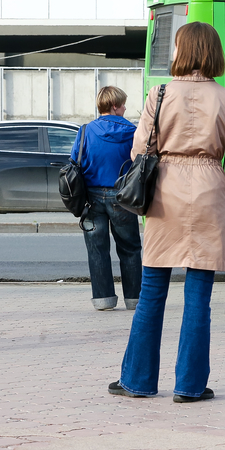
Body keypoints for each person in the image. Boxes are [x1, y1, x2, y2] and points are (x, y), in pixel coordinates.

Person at [108, 22, 225, 403]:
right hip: (209, 189)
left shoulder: (158, 94)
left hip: (164, 193)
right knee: (199, 297)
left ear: (183, 51)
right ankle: (189, 386)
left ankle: (138, 381)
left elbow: (140, 152)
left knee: (153, 289)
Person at [71, 86, 142, 311]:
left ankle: (103, 300)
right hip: (123, 197)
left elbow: (76, 161)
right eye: (122, 104)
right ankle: (134, 300)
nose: (125, 108)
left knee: (97, 249)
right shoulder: (133, 131)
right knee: (129, 248)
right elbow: (140, 164)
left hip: (91, 198)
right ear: (114, 106)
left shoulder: (84, 131)